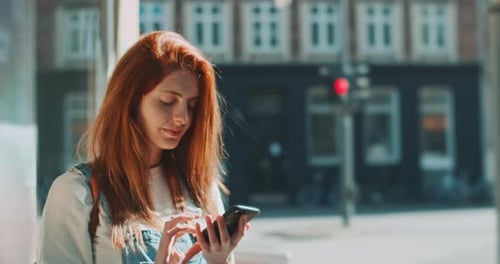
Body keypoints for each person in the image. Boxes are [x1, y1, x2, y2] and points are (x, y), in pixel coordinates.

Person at [37, 31, 250, 264]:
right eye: (167, 101)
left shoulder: (201, 188)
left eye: (192, 105)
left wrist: (221, 259)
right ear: (130, 100)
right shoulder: (75, 193)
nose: (183, 118)